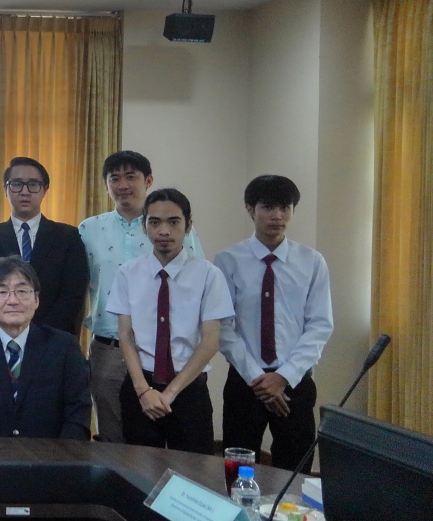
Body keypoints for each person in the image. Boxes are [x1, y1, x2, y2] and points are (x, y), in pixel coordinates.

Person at [78, 150, 205, 444]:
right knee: (112, 435)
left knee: (161, 438)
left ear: (148, 181)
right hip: (109, 349)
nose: (123, 185)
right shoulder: (89, 229)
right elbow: (79, 287)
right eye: (114, 178)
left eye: (131, 177)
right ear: (106, 184)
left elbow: (194, 282)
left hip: (162, 350)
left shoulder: (172, 228)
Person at [215, 175, 333, 471]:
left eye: (285, 208)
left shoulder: (312, 262)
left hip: (294, 383)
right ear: (250, 209)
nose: (277, 216)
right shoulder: (228, 260)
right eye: (268, 207)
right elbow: (223, 327)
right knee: (238, 469)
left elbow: (320, 325)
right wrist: (259, 379)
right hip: (245, 382)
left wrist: (283, 377)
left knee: (294, 472)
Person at [107, 189, 233, 455]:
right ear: (144, 227)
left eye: (173, 222)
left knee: (192, 471)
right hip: (141, 386)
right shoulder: (128, 273)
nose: (163, 230)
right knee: (138, 468)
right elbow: (125, 335)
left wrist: (170, 393)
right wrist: (143, 391)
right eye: (154, 222)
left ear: (188, 225)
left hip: (188, 388)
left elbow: (210, 341)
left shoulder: (209, 275)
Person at [0, 255, 91, 439]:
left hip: (49, 455)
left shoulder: (64, 347)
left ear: (36, 299)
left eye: (22, 291)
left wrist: (58, 455)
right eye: (2, 292)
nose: (13, 300)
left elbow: (78, 413)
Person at [0, 157, 88, 335]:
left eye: (33, 185)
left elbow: (73, 295)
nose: (25, 192)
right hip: (0, 339)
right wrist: (7, 333)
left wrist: (36, 334)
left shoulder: (68, 237)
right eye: (16, 184)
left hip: (53, 338)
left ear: (45, 190)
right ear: (5, 189)